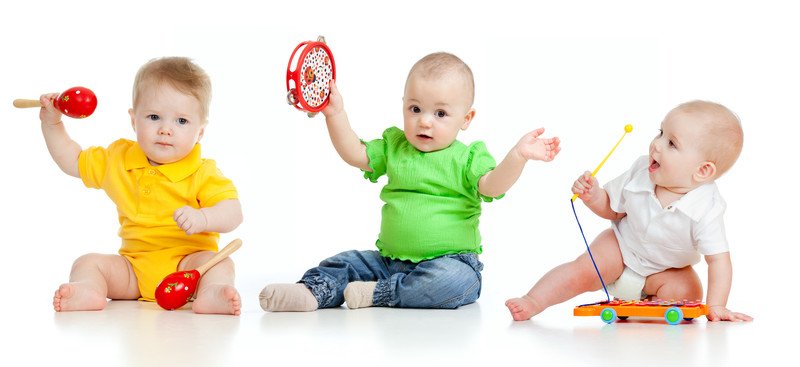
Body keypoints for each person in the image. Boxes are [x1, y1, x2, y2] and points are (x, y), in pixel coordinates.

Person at [260, 52, 560, 311]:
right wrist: (335, 114)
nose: (425, 121)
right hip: (388, 261)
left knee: (456, 283)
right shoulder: (395, 145)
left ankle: (378, 294)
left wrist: (518, 156)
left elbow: (493, 185)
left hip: (450, 262)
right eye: (415, 109)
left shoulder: (467, 158)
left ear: (466, 119)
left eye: (440, 113)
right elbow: (355, 153)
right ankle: (312, 292)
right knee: (345, 262)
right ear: (403, 104)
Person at [506, 100, 752, 322]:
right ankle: (534, 300)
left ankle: (642, 312)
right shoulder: (641, 171)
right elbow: (612, 210)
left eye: (671, 143)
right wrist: (593, 196)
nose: (656, 145)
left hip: (665, 272)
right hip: (620, 250)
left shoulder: (706, 208)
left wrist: (717, 305)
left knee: (689, 292)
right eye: (660, 132)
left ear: (702, 171)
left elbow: (718, 260)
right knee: (581, 271)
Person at [43, 57, 243, 315]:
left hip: (189, 268)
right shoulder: (118, 159)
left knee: (220, 264)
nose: (165, 129)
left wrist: (203, 218)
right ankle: (89, 290)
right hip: (133, 269)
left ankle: (210, 293)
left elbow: (233, 212)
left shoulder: (202, 172)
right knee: (87, 263)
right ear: (134, 120)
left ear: (200, 132)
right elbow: (73, 161)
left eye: (181, 121)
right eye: (154, 117)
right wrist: (52, 124)